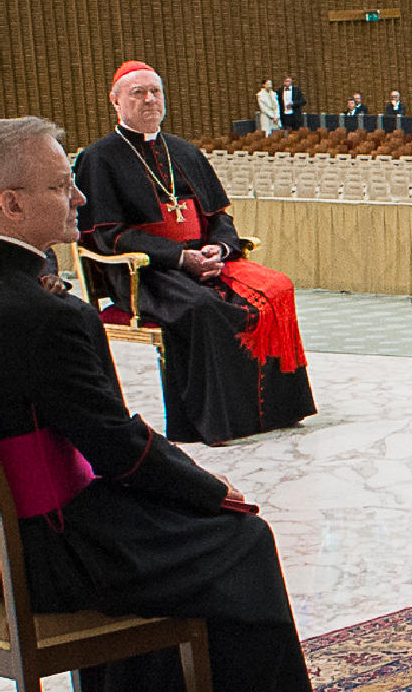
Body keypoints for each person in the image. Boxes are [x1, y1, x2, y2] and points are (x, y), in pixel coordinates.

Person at [0, 118, 322, 692]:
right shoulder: (43, 313)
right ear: (11, 203)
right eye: (60, 186)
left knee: (170, 529)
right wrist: (207, 488)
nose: (78, 198)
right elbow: (116, 446)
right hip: (44, 553)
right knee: (238, 539)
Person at [76, 63, 318, 440]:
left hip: (204, 259)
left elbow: (218, 215)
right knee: (203, 307)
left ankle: (275, 411)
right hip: (147, 272)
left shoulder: (185, 151)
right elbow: (109, 235)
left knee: (276, 289)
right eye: (138, 93)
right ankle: (219, 420)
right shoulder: (98, 158)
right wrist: (178, 257)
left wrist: (219, 248)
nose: (149, 100)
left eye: (155, 92)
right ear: (116, 101)